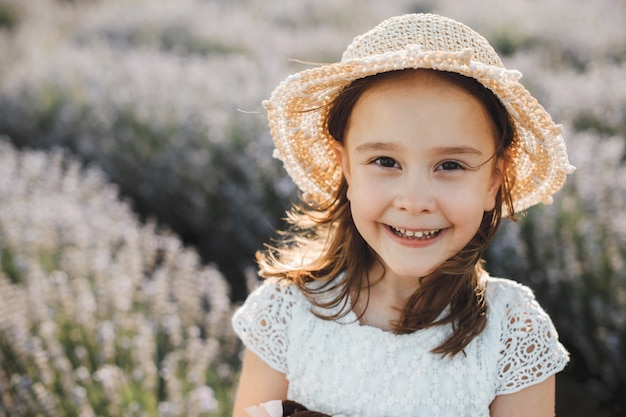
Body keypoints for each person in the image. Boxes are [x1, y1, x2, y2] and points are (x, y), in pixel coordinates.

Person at [231, 13, 574, 417]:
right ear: (346, 169)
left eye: (450, 166)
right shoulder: (287, 311)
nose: (414, 201)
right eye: (384, 161)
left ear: (494, 182)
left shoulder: (512, 333)